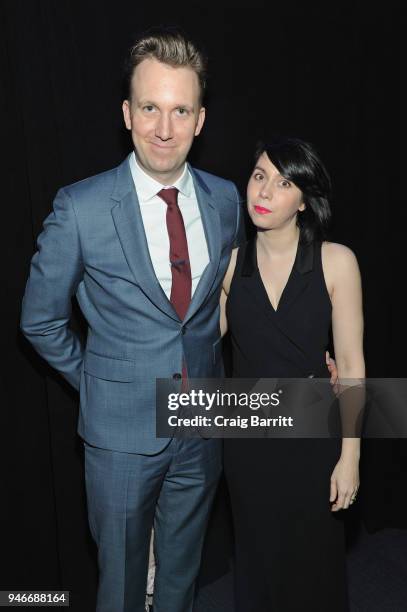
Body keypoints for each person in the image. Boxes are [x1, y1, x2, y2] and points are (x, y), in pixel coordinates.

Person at [20, 28, 242, 612]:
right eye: (149, 108)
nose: (163, 129)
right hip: (119, 438)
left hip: (202, 426)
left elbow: (226, 300)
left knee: (181, 577)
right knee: (118, 585)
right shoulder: (81, 207)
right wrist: (99, 381)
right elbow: (40, 322)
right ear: (126, 112)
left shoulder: (226, 201)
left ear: (200, 120)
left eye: (179, 110)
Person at [221, 138, 364, 612]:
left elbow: (352, 367)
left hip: (313, 442)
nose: (264, 191)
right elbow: (194, 345)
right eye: (259, 176)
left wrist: (350, 457)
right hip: (248, 444)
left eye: (284, 183)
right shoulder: (229, 265)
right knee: (258, 566)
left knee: (314, 568)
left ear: (303, 200)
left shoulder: (336, 261)